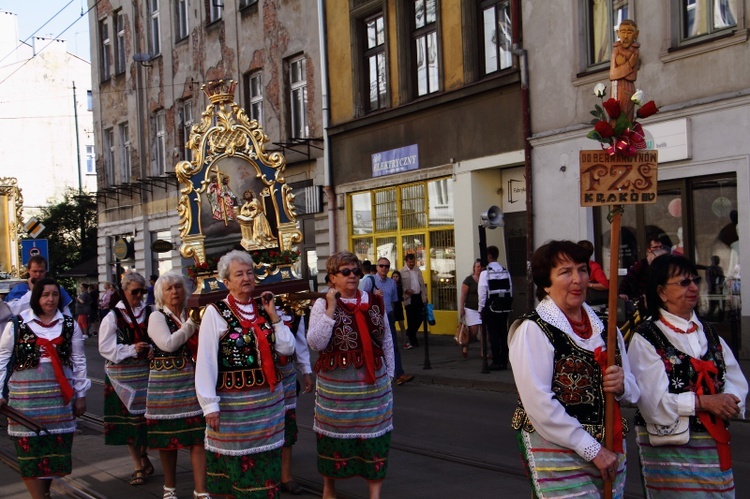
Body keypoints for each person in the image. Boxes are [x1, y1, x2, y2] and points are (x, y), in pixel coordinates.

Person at [509, 240, 639, 497]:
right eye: (565, 272)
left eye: (582, 269)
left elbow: (635, 390)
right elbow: (539, 404)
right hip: (557, 449)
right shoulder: (534, 330)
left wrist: (622, 384)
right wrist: (592, 449)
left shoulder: (607, 327)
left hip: (611, 447)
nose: (578, 279)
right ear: (546, 283)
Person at [628, 254, 748, 497]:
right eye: (683, 282)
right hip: (671, 450)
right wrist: (702, 402)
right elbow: (652, 402)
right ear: (661, 292)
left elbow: (735, 380)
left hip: (714, 445)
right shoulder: (647, 336)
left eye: (695, 280)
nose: (693, 287)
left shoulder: (710, 333)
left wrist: (730, 401)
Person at [195, 250, 295, 498]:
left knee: (265, 468)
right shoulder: (215, 312)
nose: (246, 277)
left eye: (249, 272)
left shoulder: (265, 307)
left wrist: (274, 318)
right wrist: (209, 406)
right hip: (233, 408)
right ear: (226, 282)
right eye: (239, 274)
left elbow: (286, 348)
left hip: (268, 406)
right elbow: (206, 361)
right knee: (235, 471)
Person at [307, 251, 394, 499]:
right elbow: (316, 342)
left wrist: (389, 376)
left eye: (356, 271)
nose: (352, 276)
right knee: (334, 441)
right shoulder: (322, 304)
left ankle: (374, 495)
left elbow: (386, 338)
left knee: (375, 441)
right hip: (338, 394)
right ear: (332, 278)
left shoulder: (375, 301)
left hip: (373, 389)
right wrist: (331, 309)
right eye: (345, 272)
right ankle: (329, 489)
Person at [0, 277, 90, 499]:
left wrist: (81, 395)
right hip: (25, 401)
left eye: (55, 294)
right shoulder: (17, 324)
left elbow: (79, 362)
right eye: (45, 294)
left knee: (52, 452)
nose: (50, 299)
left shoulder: (69, 326)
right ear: (36, 297)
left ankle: (45, 492)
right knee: (29, 453)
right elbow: (2, 359)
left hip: (59, 401)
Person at [145, 271, 208, 499]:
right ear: (160, 294)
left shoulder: (189, 313)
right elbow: (168, 343)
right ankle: (169, 488)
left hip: (191, 382)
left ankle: (200, 490)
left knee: (197, 438)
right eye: (169, 288)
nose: (175, 292)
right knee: (168, 441)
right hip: (165, 385)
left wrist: (193, 320)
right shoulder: (157, 317)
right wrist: (193, 323)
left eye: (178, 287)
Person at [98, 271, 154, 486]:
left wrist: (153, 349)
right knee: (131, 424)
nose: (139, 296)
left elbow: (159, 337)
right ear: (124, 292)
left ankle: (143, 455)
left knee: (146, 422)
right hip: (121, 377)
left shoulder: (150, 312)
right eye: (135, 292)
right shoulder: (113, 316)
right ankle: (138, 464)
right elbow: (105, 347)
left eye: (142, 291)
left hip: (146, 374)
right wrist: (131, 349)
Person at [275, 304, 314, 496]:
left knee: (287, 423)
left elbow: (300, 342)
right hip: (258, 375)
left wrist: (306, 371)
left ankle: (286, 476)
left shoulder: (292, 308)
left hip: (286, 373)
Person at [364, 257, 414, 386]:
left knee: (392, 345)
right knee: (374, 346)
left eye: (387, 266)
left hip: (388, 316)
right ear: (377, 267)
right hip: (374, 317)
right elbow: (361, 297)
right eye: (381, 266)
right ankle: (374, 374)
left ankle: (399, 374)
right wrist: (373, 295)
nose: (384, 268)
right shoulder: (370, 280)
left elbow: (394, 300)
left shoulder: (392, 283)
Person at [477, 246, 513, 370]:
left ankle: (496, 360)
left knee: (493, 334)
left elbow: (482, 292)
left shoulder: (485, 273)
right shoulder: (505, 271)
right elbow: (510, 289)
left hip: (491, 305)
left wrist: (481, 308)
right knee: (503, 332)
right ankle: (504, 360)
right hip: (504, 305)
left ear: (489, 256)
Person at [4, 255, 73, 315]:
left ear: (46, 271)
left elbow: (66, 314)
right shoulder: (19, 288)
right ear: (28, 270)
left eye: (41, 271)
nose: (38, 274)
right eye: (35, 271)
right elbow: (12, 311)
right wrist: (33, 292)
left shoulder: (56, 289)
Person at [618, 236, 669, 317]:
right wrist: (622, 293)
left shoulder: (667, 265)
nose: (659, 249)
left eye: (660, 247)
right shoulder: (642, 264)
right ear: (649, 249)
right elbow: (628, 279)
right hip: (645, 303)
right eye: (655, 247)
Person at [609, 19, 640, 121]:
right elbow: (613, 75)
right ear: (618, 33)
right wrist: (629, 65)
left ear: (636, 34)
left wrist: (623, 66)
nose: (625, 36)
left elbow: (632, 76)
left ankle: (626, 135)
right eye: (623, 32)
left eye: (629, 32)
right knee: (616, 116)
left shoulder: (635, 51)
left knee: (628, 115)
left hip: (629, 88)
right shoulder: (616, 50)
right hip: (616, 87)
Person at [400, 253, 427, 349]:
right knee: (411, 319)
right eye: (410, 262)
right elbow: (399, 285)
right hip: (409, 298)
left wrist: (425, 297)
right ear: (406, 261)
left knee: (420, 317)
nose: (412, 263)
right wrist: (405, 290)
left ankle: (410, 333)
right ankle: (413, 339)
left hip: (418, 297)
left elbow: (422, 284)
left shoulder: (417, 270)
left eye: (413, 262)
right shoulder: (402, 272)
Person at [458, 259, 483, 358]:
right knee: (473, 332)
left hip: (482, 309)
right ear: (474, 268)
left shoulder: (484, 279)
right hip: (471, 309)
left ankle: (483, 352)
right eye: (478, 267)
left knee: (485, 332)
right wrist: (461, 308)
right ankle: (466, 345)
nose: (479, 269)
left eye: (481, 267)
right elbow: (463, 295)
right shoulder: (468, 280)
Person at [578, 240, 609, 308]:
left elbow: (604, 285)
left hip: (592, 304)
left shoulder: (593, 266)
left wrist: (588, 284)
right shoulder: (576, 266)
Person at [390, 270, 407, 345]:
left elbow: (400, 297)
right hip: (392, 306)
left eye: (397, 277)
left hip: (398, 306)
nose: (395, 278)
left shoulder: (400, 286)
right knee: (392, 326)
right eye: (393, 276)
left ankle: (405, 342)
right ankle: (393, 343)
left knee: (402, 325)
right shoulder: (390, 285)